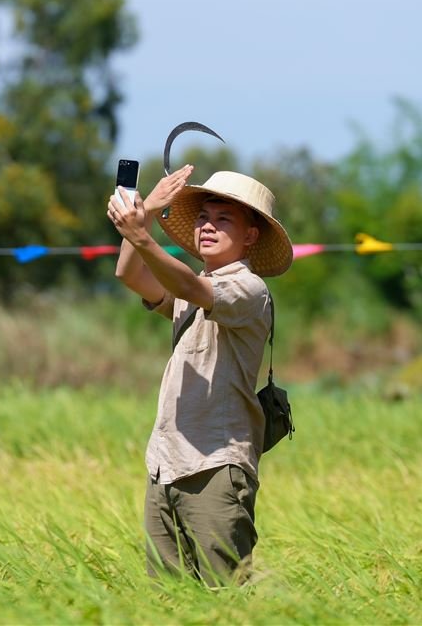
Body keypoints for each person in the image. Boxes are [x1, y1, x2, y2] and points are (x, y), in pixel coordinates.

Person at [106, 165, 293, 586]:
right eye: (203, 217)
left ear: (251, 236)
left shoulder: (249, 289)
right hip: (165, 463)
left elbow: (193, 289)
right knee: (168, 599)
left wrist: (141, 236)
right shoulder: (190, 286)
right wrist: (144, 216)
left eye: (223, 219)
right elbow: (129, 275)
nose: (207, 226)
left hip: (216, 465)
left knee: (225, 597)